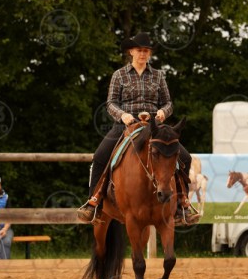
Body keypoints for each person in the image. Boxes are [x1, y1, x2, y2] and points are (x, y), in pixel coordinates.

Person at [77, 32, 199, 225]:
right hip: (126, 124)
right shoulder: (119, 75)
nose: (143, 54)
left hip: (154, 126)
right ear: (131, 52)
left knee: (185, 157)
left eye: (146, 51)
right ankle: (94, 203)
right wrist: (122, 115)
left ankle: (182, 205)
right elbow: (110, 103)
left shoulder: (158, 76)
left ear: (149, 53)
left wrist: (163, 112)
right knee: (100, 156)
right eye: (139, 50)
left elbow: (168, 103)